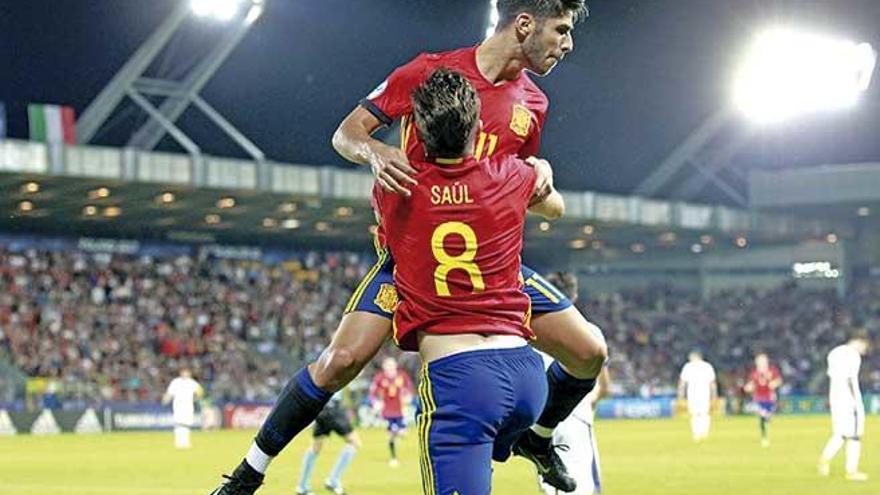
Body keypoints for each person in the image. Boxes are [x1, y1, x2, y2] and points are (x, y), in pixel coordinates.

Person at [211, 2, 606, 493]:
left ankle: (538, 439)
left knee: (589, 351)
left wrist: (538, 188)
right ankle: (249, 472)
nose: (567, 44)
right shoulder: (428, 73)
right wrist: (374, 152)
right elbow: (346, 133)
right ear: (525, 24)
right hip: (408, 259)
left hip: (487, 267)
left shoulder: (534, 105)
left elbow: (517, 192)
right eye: (561, 30)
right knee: (341, 362)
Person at [378, 67, 564, 494]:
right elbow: (555, 208)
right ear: (480, 126)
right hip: (525, 374)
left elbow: (390, 237)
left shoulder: (395, 189)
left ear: (418, 134)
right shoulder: (512, 176)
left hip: (462, 377)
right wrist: (541, 168)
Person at [538, 272, 608, 495]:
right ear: (574, 295)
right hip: (576, 417)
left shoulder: (530, 333)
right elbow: (605, 387)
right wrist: (589, 400)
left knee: (552, 487)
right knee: (583, 487)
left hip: (539, 424)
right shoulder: (589, 332)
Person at [818, 336, 870, 481]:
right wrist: (854, 400)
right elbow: (849, 379)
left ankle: (825, 458)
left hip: (835, 398)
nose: (863, 352)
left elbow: (832, 376)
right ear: (858, 342)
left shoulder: (834, 353)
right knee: (855, 435)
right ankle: (851, 471)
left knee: (840, 433)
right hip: (849, 400)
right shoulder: (853, 355)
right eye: (863, 348)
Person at [295, 393, 360, 495]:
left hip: (321, 406)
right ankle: (333, 480)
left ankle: (302, 486)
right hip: (332, 407)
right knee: (354, 442)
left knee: (316, 447)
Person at [369, 357, 414, 466]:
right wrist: (375, 403)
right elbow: (372, 392)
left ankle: (397, 432)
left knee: (402, 433)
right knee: (391, 435)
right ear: (384, 367)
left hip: (400, 410)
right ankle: (393, 458)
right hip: (387, 411)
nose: (389, 367)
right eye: (387, 365)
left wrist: (408, 396)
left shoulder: (402, 376)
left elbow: (409, 387)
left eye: (391, 365)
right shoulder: (380, 377)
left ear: (395, 366)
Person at [743, 353, 782, 447]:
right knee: (762, 416)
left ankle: (766, 425)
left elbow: (779, 380)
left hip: (769, 398)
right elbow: (751, 384)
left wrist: (774, 384)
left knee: (767, 417)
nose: (760, 363)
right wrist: (748, 387)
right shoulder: (754, 373)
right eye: (759, 361)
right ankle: (764, 437)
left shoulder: (772, 371)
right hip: (758, 398)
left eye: (762, 361)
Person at [677, 351, 716, 442]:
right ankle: (704, 433)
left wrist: (680, 394)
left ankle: (696, 434)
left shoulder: (688, 366)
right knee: (704, 414)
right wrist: (714, 394)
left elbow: (682, 383)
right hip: (704, 393)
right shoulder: (707, 366)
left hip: (692, 394)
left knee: (695, 414)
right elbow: (712, 383)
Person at [162, 368, 203, 449]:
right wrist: (165, 399)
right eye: (184, 372)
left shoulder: (192, 383)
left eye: (187, 372)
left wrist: (195, 398)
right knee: (178, 423)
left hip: (188, 406)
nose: (186, 374)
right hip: (178, 405)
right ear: (181, 373)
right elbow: (170, 393)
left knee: (186, 424)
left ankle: (185, 442)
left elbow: (200, 391)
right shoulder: (176, 382)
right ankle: (178, 442)